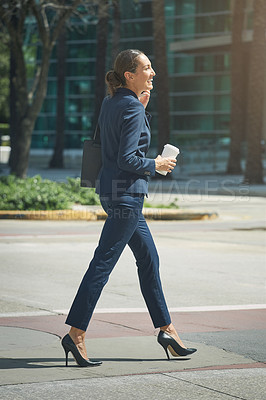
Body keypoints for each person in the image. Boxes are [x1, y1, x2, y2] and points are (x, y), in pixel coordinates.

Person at [61, 49, 197, 367]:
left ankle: (167, 330)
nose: (153, 73)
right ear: (129, 75)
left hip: (111, 192)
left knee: (149, 260)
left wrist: (142, 109)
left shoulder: (113, 102)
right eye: (147, 68)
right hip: (127, 197)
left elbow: (111, 142)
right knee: (102, 265)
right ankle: (75, 334)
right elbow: (127, 159)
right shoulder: (132, 107)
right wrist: (157, 162)